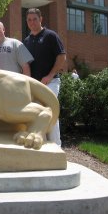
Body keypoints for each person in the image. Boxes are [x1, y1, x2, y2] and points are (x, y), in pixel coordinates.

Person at [23, 8, 66, 146]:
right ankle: (44, 145)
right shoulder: (27, 40)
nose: (32, 22)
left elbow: (61, 56)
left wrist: (50, 75)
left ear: (41, 19)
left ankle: (56, 146)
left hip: (51, 82)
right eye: (29, 20)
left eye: (35, 19)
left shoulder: (50, 35)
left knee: (50, 111)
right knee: (36, 114)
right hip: (34, 85)